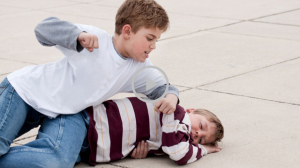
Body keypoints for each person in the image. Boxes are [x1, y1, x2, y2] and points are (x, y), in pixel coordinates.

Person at [0, 0, 180, 160]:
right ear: (127, 31)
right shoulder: (95, 41)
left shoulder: (140, 69)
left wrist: (171, 96)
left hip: (51, 113)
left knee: (49, 161)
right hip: (22, 94)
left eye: (156, 39)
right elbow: (43, 29)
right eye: (150, 38)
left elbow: (162, 89)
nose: (154, 45)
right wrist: (77, 37)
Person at [0, 97, 224, 167]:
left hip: (86, 146)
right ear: (192, 111)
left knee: (54, 161)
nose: (197, 134)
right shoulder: (176, 113)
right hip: (82, 121)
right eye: (201, 126)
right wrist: (203, 149)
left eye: (201, 138)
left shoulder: (170, 136)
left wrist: (137, 151)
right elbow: (180, 154)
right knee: (55, 159)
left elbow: (170, 146)